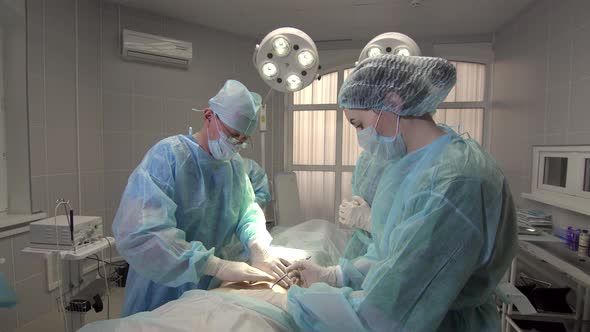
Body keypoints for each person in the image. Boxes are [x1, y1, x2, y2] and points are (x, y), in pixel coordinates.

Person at [255, 55, 517, 331]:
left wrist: (295, 304)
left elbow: (386, 313)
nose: (360, 137)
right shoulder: (414, 166)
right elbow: (395, 256)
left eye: (358, 124)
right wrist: (336, 275)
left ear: (392, 102)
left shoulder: (454, 181)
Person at [113, 80, 291, 317]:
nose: (237, 144)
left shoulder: (234, 166)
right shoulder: (168, 157)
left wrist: (257, 245)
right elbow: (143, 232)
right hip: (164, 287)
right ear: (209, 116)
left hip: (213, 290)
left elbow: (247, 211)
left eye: (244, 139)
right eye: (232, 135)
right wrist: (215, 266)